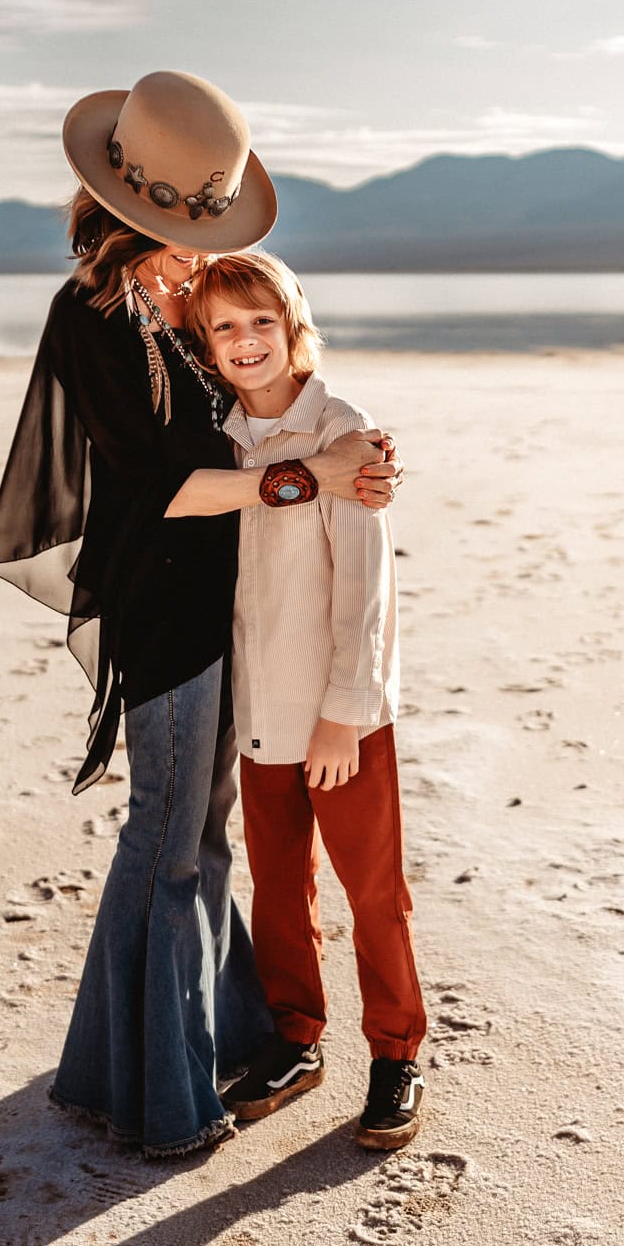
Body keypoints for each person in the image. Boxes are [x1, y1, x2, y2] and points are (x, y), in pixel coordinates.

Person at [0, 72, 404, 1158]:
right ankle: (160, 1095)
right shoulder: (90, 315)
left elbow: (264, 404)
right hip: (164, 618)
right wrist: (317, 475)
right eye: (174, 230)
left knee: (197, 845)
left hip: (231, 612)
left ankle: (164, 1048)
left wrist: (346, 452)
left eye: (195, 227)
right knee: (168, 845)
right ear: (126, 218)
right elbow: (163, 483)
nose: (188, 250)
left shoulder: (181, 301)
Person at [185, 251, 427, 1150]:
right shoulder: (219, 435)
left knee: (373, 892)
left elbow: (365, 592)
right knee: (279, 885)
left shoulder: (344, 432)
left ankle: (397, 1054)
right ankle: (297, 1038)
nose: (247, 342)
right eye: (224, 328)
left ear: (293, 326)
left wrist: (344, 711)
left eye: (261, 322)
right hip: (259, 709)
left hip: (339, 715)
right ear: (207, 348)